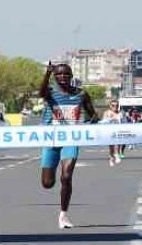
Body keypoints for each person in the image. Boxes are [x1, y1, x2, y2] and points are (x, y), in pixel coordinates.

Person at [39, 62, 98, 229]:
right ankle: (60, 206)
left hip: (71, 140)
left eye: (66, 74)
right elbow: (41, 92)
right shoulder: (50, 93)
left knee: (66, 176)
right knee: (47, 183)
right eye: (59, 75)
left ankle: (63, 215)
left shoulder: (81, 94)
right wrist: (47, 74)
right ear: (55, 77)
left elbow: (93, 114)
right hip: (51, 140)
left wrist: (92, 121)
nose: (62, 77)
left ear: (71, 77)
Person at [102, 99, 123, 167]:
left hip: (118, 131)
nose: (115, 107)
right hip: (109, 131)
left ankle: (116, 155)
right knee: (111, 147)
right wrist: (110, 119)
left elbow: (124, 121)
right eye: (113, 105)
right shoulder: (107, 112)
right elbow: (103, 122)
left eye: (117, 105)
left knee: (117, 144)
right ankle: (111, 158)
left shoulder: (120, 113)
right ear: (110, 106)